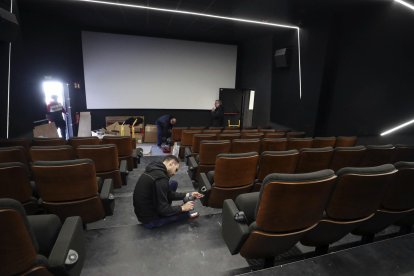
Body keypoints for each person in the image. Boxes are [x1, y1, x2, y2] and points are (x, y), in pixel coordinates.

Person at [133, 155, 203, 229]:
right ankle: (185, 215)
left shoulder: (154, 169)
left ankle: (175, 210)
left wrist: (188, 194)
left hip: (143, 211)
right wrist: (182, 208)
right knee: (184, 214)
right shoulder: (161, 179)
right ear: (171, 163)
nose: (175, 173)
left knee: (173, 183)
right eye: (176, 169)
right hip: (149, 220)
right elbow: (163, 210)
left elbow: (169, 194)